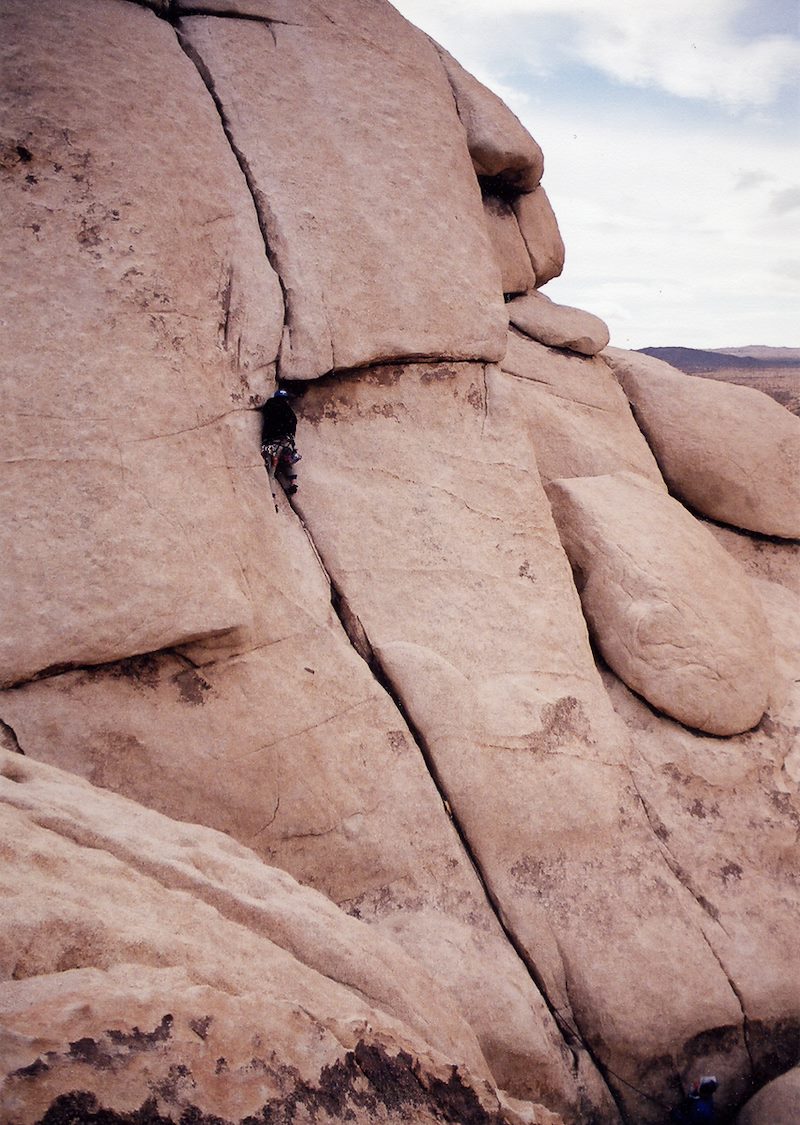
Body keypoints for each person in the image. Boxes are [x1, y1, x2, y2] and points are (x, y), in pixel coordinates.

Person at [260, 388, 300, 497]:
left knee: (271, 471)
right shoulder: (290, 413)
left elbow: (267, 414)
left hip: (272, 443)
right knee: (288, 460)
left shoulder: (270, 405)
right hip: (287, 442)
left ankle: (272, 494)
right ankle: (293, 483)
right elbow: (293, 427)